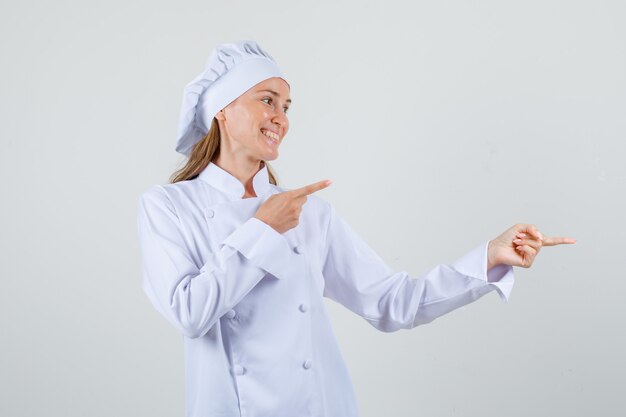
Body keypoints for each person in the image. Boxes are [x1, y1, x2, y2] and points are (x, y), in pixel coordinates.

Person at [136, 40, 576, 417]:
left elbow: (393, 302)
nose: (282, 119)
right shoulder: (169, 206)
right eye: (267, 100)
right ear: (222, 111)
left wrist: (487, 258)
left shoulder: (308, 213)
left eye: (286, 107)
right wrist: (263, 230)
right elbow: (190, 314)